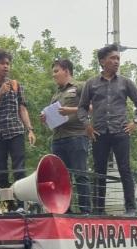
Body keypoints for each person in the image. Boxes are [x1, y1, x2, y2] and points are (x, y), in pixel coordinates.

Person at [77, 44, 137, 216]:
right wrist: (86, 125)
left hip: (121, 131)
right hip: (99, 132)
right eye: (112, 58)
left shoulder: (125, 82)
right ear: (102, 61)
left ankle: (130, 208)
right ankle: (98, 210)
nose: (116, 62)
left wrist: (135, 121)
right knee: (99, 172)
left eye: (118, 59)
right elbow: (82, 108)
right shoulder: (91, 84)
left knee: (125, 169)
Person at [0, 49, 36, 209]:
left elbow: (23, 109)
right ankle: (8, 206)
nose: (6, 67)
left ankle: (21, 204)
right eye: (2, 63)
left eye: (8, 63)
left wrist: (30, 129)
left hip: (15, 131)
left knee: (19, 169)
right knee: (1, 172)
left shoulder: (16, 85)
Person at [42, 59, 91, 215]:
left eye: (56, 71)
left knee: (80, 174)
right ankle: (65, 210)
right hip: (58, 139)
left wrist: (70, 110)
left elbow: (92, 107)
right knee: (61, 178)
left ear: (67, 71)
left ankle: (85, 211)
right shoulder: (56, 95)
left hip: (76, 136)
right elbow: (53, 119)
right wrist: (45, 119)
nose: (54, 75)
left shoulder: (80, 87)